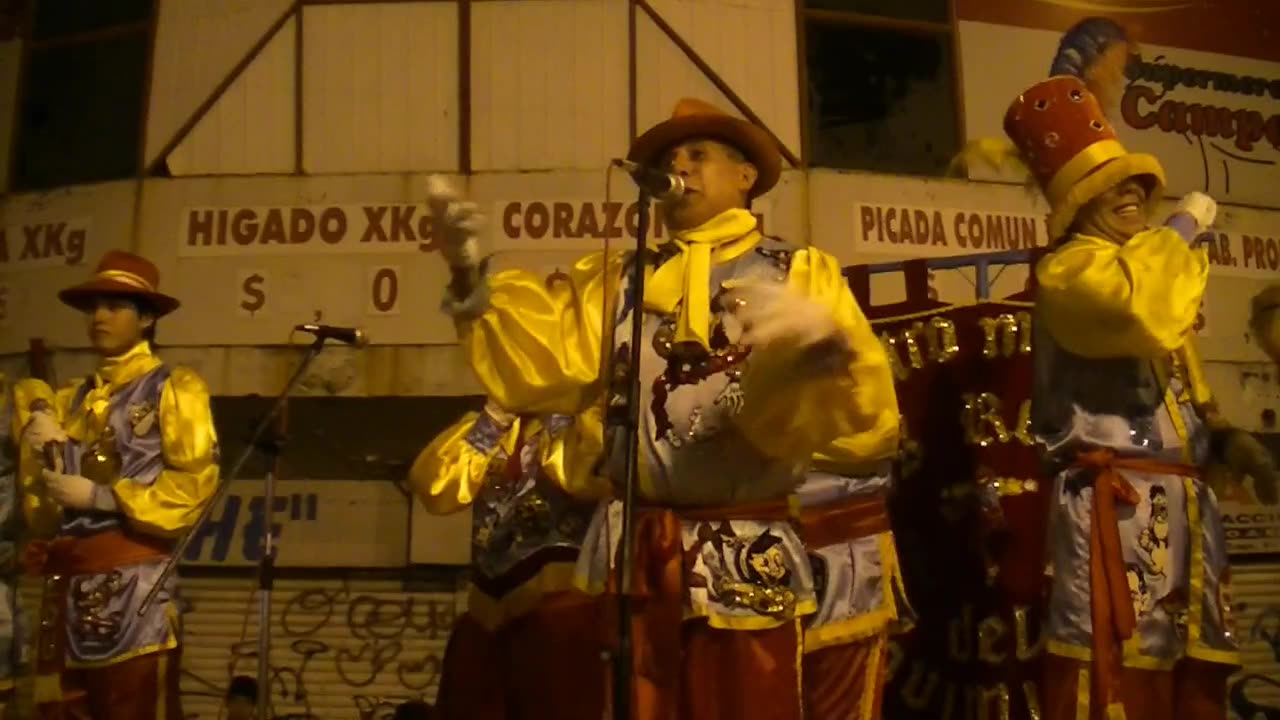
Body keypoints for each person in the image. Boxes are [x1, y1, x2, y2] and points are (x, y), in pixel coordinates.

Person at [424, 97, 901, 719]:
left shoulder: (798, 271)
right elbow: (544, 362)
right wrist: (468, 276)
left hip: (745, 549)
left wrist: (812, 360)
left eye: (698, 155)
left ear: (745, 176)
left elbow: (865, 417)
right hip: (637, 555)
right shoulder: (621, 280)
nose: (681, 167)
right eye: (670, 159)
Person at [961, 17, 1278, 719]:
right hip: (1119, 514)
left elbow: (1181, 385)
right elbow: (1143, 312)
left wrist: (1226, 439)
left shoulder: (1141, 269)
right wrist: (1187, 225)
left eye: (1137, 183)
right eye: (1115, 189)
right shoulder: (1074, 273)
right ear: (1081, 205)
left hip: (1185, 512)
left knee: (1190, 680)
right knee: (1113, 680)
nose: (1133, 195)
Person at [13, 250, 220, 719]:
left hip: (135, 589)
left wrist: (100, 497)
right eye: (93, 307)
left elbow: (192, 488)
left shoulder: (174, 388)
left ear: (147, 318)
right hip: (67, 589)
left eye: (114, 306)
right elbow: (43, 510)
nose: (99, 317)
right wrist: (37, 440)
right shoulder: (70, 399)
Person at [408, 405, 607, 720]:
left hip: (561, 609)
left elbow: (587, 475)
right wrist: (494, 418)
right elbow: (435, 486)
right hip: (487, 610)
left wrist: (557, 411)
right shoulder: (492, 426)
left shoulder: (584, 422)